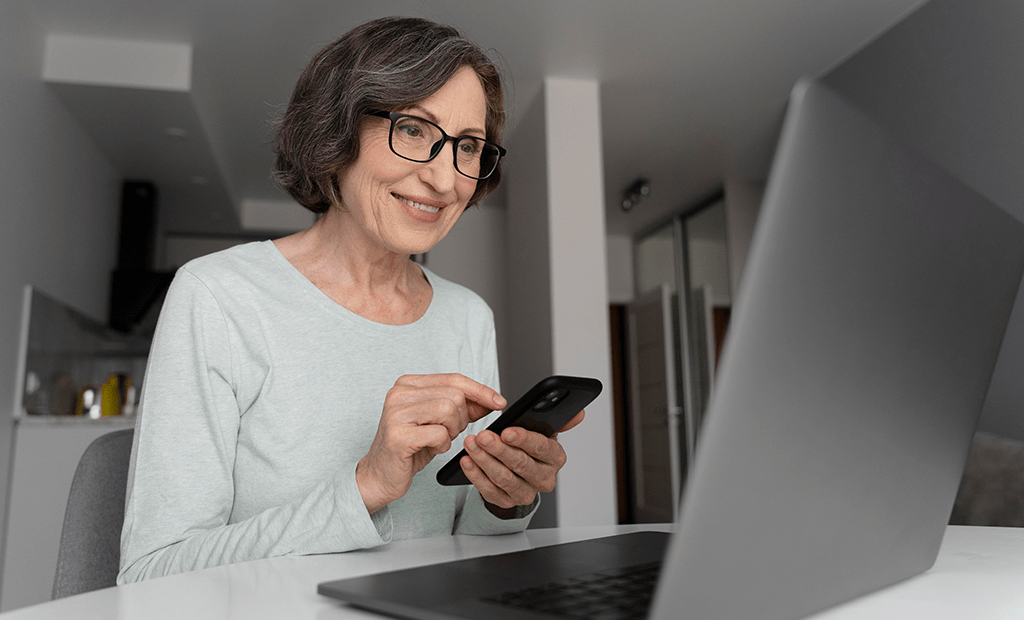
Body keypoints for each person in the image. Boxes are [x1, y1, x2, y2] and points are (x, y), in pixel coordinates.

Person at [117, 16, 584, 583]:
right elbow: (151, 573)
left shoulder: (467, 316)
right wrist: (365, 485)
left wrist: (504, 499)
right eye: (414, 129)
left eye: (468, 146)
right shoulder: (218, 296)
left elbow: (466, 551)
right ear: (335, 132)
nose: (445, 178)